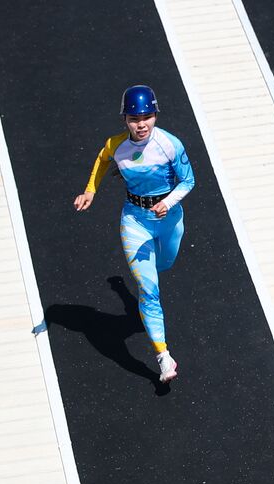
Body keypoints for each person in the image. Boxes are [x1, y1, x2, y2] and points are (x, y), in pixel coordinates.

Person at [75, 85, 195, 384]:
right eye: (133, 118)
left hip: (168, 218)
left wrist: (167, 203)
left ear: (155, 115)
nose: (141, 124)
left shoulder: (170, 144)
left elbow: (189, 181)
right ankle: (163, 357)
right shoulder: (117, 146)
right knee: (148, 287)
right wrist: (91, 190)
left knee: (164, 263)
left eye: (147, 117)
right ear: (124, 119)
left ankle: (126, 293)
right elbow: (103, 159)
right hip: (135, 220)